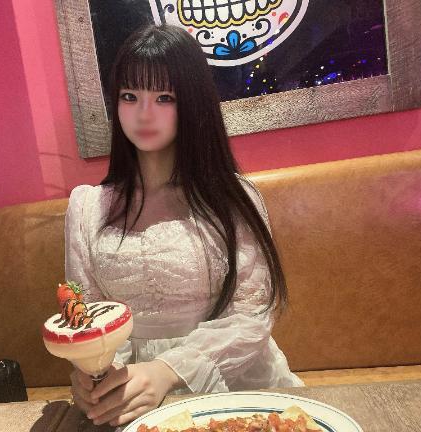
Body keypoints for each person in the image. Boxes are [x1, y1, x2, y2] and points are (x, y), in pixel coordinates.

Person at [65, 24, 303, 427]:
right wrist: (94, 375)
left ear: (192, 103)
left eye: (164, 97)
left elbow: (252, 314)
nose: (144, 114)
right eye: (129, 96)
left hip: (230, 381)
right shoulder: (88, 206)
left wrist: (167, 370)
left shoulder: (234, 199)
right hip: (131, 392)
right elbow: (87, 314)